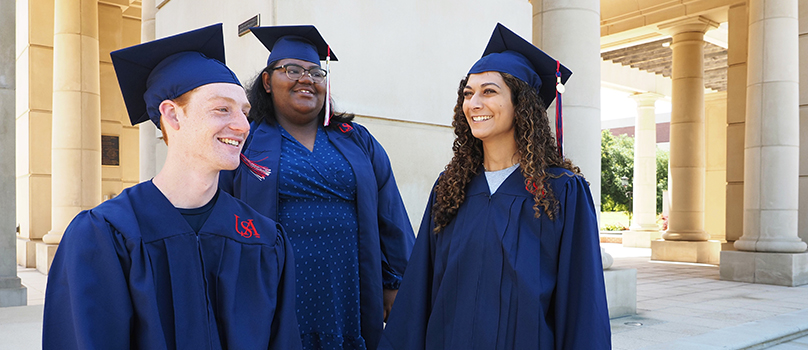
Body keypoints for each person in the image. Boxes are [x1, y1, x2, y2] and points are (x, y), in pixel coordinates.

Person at [42, 24, 302, 349]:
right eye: (222, 109)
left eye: (245, 112)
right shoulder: (105, 236)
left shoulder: (264, 239)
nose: (242, 125)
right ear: (172, 116)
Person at [379, 23, 612, 350]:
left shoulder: (562, 191)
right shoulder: (451, 188)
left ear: (522, 105)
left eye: (489, 91)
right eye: (468, 93)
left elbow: (582, 302)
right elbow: (419, 289)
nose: (474, 103)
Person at [219, 25, 415, 350]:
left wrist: (395, 281)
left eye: (315, 72)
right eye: (291, 70)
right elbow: (222, 209)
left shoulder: (355, 139)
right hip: (278, 286)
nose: (306, 79)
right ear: (267, 81)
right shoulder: (247, 142)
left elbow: (389, 211)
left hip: (349, 284)